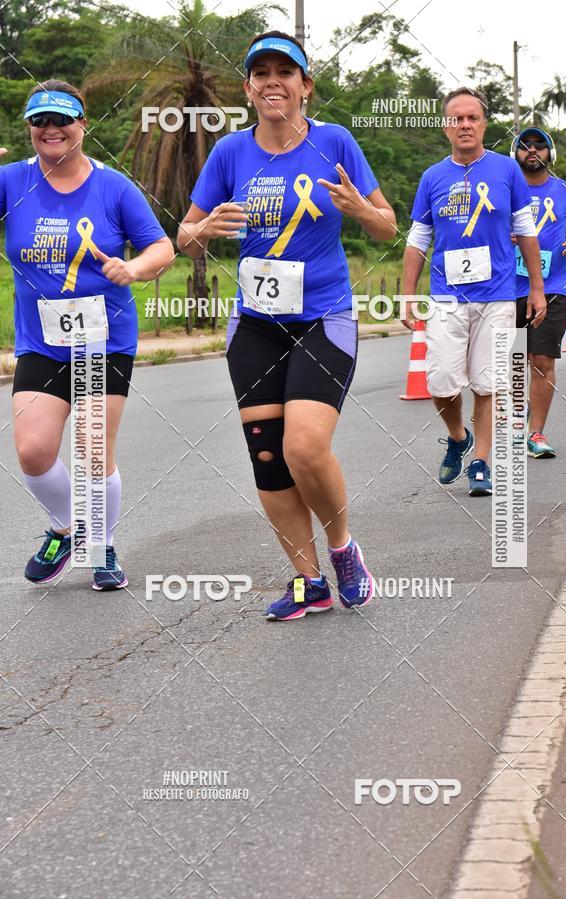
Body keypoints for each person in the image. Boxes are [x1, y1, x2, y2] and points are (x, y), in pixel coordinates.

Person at [178, 31, 396, 621]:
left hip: (323, 316)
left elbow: (387, 227)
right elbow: (184, 239)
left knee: (304, 445)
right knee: (268, 457)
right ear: (249, 87)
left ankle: (343, 547)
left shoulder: (335, 141)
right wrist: (208, 228)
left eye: (286, 71)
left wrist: (361, 210)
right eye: (261, 72)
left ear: (305, 85)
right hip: (255, 325)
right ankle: (309, 583)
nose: (273, 80)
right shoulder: (229, 153)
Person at [2, 80, 173, 589]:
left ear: (83, 125)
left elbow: (161, 247)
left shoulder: (114, 187)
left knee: (93, 449)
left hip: (103, 338)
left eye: (62, 120)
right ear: (30, 128)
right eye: (40, 121)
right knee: (33, 452)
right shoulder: (11, 181)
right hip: (41, 340)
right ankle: (68, 527)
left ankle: (101, 547)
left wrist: (135, 269)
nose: (51, 130)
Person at [402, 87, 546, 496]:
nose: (464, 124)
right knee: (441, 383)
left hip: (498, 294)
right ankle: (458, 437)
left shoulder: (506, 170)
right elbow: (417, 240)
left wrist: (535, 289)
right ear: (446, 127)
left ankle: (481, 462)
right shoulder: (433, 177)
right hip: (447, 296)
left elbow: (526, 231)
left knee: (488, 384)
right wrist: (408, 294)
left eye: (472, 118)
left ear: (483, 125)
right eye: (456, 119)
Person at [512, 127, 566, 458]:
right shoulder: (505, 189)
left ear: (550, 153)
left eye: (539, 146)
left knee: (542, 360)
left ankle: (537, 433)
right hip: (507, 287)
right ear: (514, 154)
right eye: (525, 146)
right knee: (512, 363)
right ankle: (513, 422)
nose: (532, 151)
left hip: (552, 288)